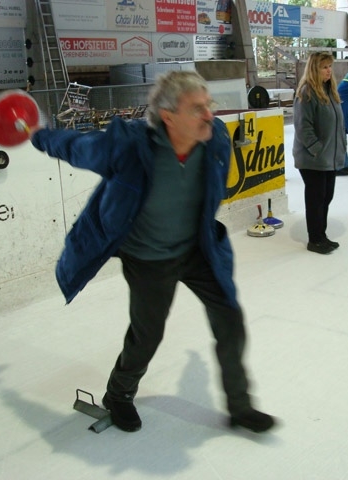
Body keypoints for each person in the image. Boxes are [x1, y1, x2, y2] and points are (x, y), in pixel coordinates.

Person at [28, 71, 275, 434]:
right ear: (169, 117)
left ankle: (240, 406)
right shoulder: (130, 146)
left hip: (197, 249)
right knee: (148, 335)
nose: (209, 114)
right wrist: (38, 135)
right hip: (148, 258)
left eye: (208, 105)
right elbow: (77, 146)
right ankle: (118, 394)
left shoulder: (215, 138)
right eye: (197, 108)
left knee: (230, 321)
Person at [293, 52, 346, 254]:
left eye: (330, 66)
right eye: (324, 67)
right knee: (316, 199)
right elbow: (303, 127)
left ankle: (321, 235)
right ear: (314, 69)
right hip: (312, 158)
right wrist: (316, 149)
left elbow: (337, 124)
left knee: (326, 197)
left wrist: (341, 146)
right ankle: (314, 240)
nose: (329, 70)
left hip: (328, 157)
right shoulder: (307, 93)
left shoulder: (329, 91)